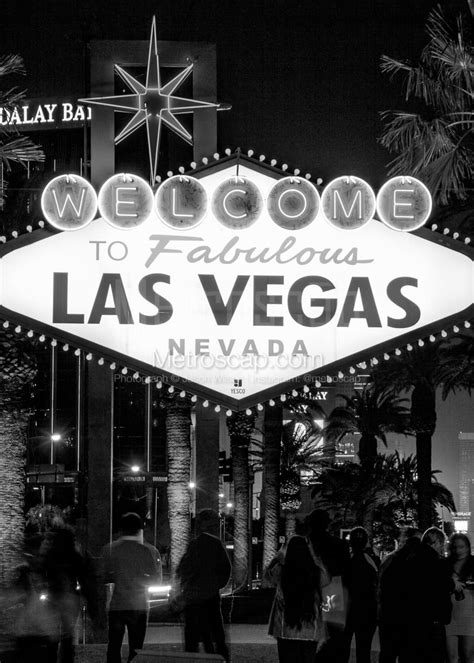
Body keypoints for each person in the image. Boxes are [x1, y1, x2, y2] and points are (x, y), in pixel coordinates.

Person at [380, 526, 452, 663]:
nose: (442, 548)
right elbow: (440, 592)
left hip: (406, 621)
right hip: (429, 621)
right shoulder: (436, 562)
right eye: (441, 545)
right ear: (435, 542)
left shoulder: (403, 561)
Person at [102, 512, 161, 663]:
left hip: (117, 604)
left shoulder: (110, 549)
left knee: (114, 646)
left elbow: (104, 576)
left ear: (121, 529)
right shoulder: (147, 550)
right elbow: (155, 579)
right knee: (136, 648)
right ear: (139, 529)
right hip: (139, 604)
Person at [176, 509, 231, 661]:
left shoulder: (194, 545)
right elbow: (226, 570)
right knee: (216, 635)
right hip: (210, 597)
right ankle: (221, 658)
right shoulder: (216, 544)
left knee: (192, 637)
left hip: (194, 598)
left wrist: (186, 588)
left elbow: (184, 569)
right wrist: (216, 586)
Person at [267, 534, 328, 663]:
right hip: (310, 629)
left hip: (286, 629)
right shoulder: (315, 572)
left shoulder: (281, 571)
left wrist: (278, 557)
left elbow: (267, 576)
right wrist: (313, 555)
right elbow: (326, 579)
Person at [38, 523, 92, 663]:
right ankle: (67, 659)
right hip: (71, 597)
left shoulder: (50, 555)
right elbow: (83, 577)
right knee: (68, 635)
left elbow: (42, 572)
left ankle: (51, 657)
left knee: (52, 634)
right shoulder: (74, 556)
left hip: (53, 596)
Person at [305, 509, 351, 663]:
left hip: (309, 593)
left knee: (311, 636)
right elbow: (346, 572)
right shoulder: (339, 545)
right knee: (334, 636)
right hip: (333, 591)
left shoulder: (304, 544)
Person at [378, 527, 422, 663]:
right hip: (406, 617)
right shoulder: (414, 561)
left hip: (389, 615)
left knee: (388, 654)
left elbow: (380, 587)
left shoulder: (389, 559)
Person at [345, 527, 379, 663]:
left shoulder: (346, 560)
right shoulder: (372, 561)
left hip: (348, 610)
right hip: (367, 610)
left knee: (344, 648)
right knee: (364, 650)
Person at [445, 533, 474, 663]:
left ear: (468, 547)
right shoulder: (446, 564)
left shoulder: (473, 563)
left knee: (468, 654)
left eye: (461, 547)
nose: (458, 551)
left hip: (469, 612)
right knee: (451, 656)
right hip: (450, 613)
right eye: (455, 547)